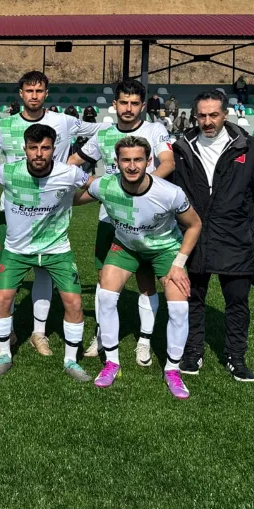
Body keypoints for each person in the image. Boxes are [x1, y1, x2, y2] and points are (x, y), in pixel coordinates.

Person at [0, 71, 106, 355]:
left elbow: (101, 131)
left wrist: (77, 159)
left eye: (39, 90)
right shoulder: (4, 125)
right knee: (9, 277)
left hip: (51, 210)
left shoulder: (64, 121)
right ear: (20, 93)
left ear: (47, 93)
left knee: (44, 272)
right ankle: (7, 332)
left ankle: (39, 333)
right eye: (29, 90)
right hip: (12, 211)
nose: (34, 95)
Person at [75, 136, 202, 399]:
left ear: (148, 161)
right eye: (126, 160)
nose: (132, 166)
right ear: (116, 162)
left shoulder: (169, 193)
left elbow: (194, 225)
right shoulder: (105, 186)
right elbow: (76, 198)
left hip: (165, 249)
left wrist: (179, 264)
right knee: (105, 296)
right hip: (126, 247)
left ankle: (172, 370)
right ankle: (112, 363)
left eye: (138, 160)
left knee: (179, 309)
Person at [172, 91, 254, 382]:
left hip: (237, 239)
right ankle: (192, 352)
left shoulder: (250, 148)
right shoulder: (181, 148)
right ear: (194, 116)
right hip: (194, 238)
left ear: (225, 114)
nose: (208, 121)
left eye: (214, 115)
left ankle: (236, 357)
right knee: (192, 299)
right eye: (202, 115)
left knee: (237, 303)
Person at [69, 79, 175, 367]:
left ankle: (144, 340)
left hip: (147, 219)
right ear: (114, 104)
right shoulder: (104, 134)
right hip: (110, 218)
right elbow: (74, 160)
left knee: (146, 281)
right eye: (123, 102)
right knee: (105, 279)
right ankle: (102, 335)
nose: (128, 108)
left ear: (143, 105)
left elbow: (168, 163)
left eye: (134, 103)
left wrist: (143, 191)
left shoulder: (155, 130)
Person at [0, 124, 91, 379]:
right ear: (25, 149)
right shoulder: (8, 171)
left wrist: (70, 200)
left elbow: (97, 187)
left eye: (45, 148)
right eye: (33, 148)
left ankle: (71, 361)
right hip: (16, 250)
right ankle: (4, 354)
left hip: (57, 249)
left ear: (54, 149)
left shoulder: (69, 173)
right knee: (2, 299)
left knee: (74, 302)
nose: (39, 154)